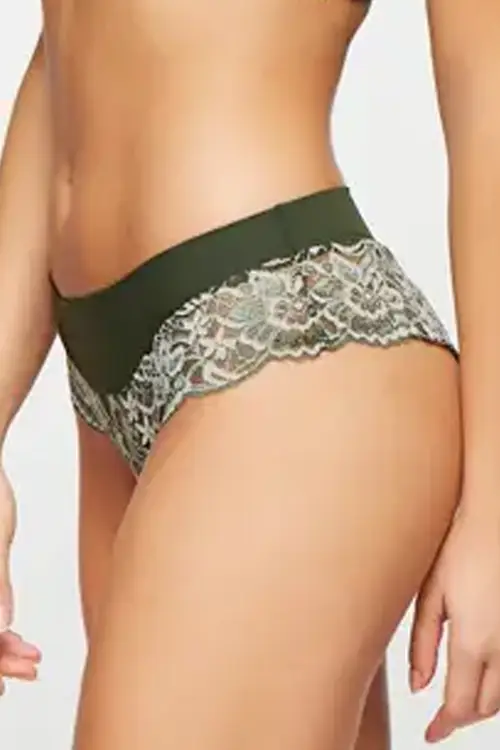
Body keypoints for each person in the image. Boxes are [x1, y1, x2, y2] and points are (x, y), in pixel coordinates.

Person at [0, 0, 498, 747]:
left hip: (288, 345)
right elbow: (67, 52)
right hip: (114, 394)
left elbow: (489, 95)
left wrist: (494, 513)